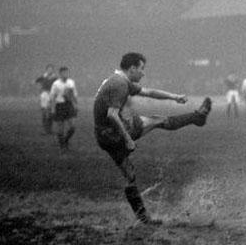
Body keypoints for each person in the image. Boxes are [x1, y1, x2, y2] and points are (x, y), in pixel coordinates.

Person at [94, 52, 212, 225]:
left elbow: (149, 92)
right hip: (114, 133)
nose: (143, 73)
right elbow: (112, 114)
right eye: (142, 69)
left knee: (129, 175)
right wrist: (127, 138)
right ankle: (197, 117)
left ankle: (143, 219)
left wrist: (174, 96)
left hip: (103, 137)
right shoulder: (120, 84)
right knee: (158, 119)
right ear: (132, 68)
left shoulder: (118, 80)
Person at [49, 66, 78, 152]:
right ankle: (62, 146)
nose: (66, 74)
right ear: (60, 74)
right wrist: (53, 109)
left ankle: (65, 140)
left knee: (73, 126)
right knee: (60, 128)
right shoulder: (56, 84)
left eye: (67, 72)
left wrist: (75, 104)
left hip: (69, 105)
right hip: (59, 106)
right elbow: (53, 97)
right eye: (64, 73)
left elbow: (74, 95)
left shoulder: (71, 82)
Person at [34, 64, 58, 135]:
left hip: (52, 95)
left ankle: (49, 129)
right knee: (44, 112)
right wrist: (40, 89)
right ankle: (45, 129)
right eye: (48, 69)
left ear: (53, 70)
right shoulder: (43, 77)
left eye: (51, 69)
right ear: (46, 70)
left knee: (50, 113)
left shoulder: (55, 78)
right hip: (44, 95)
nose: (50, 70)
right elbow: (35, 82)